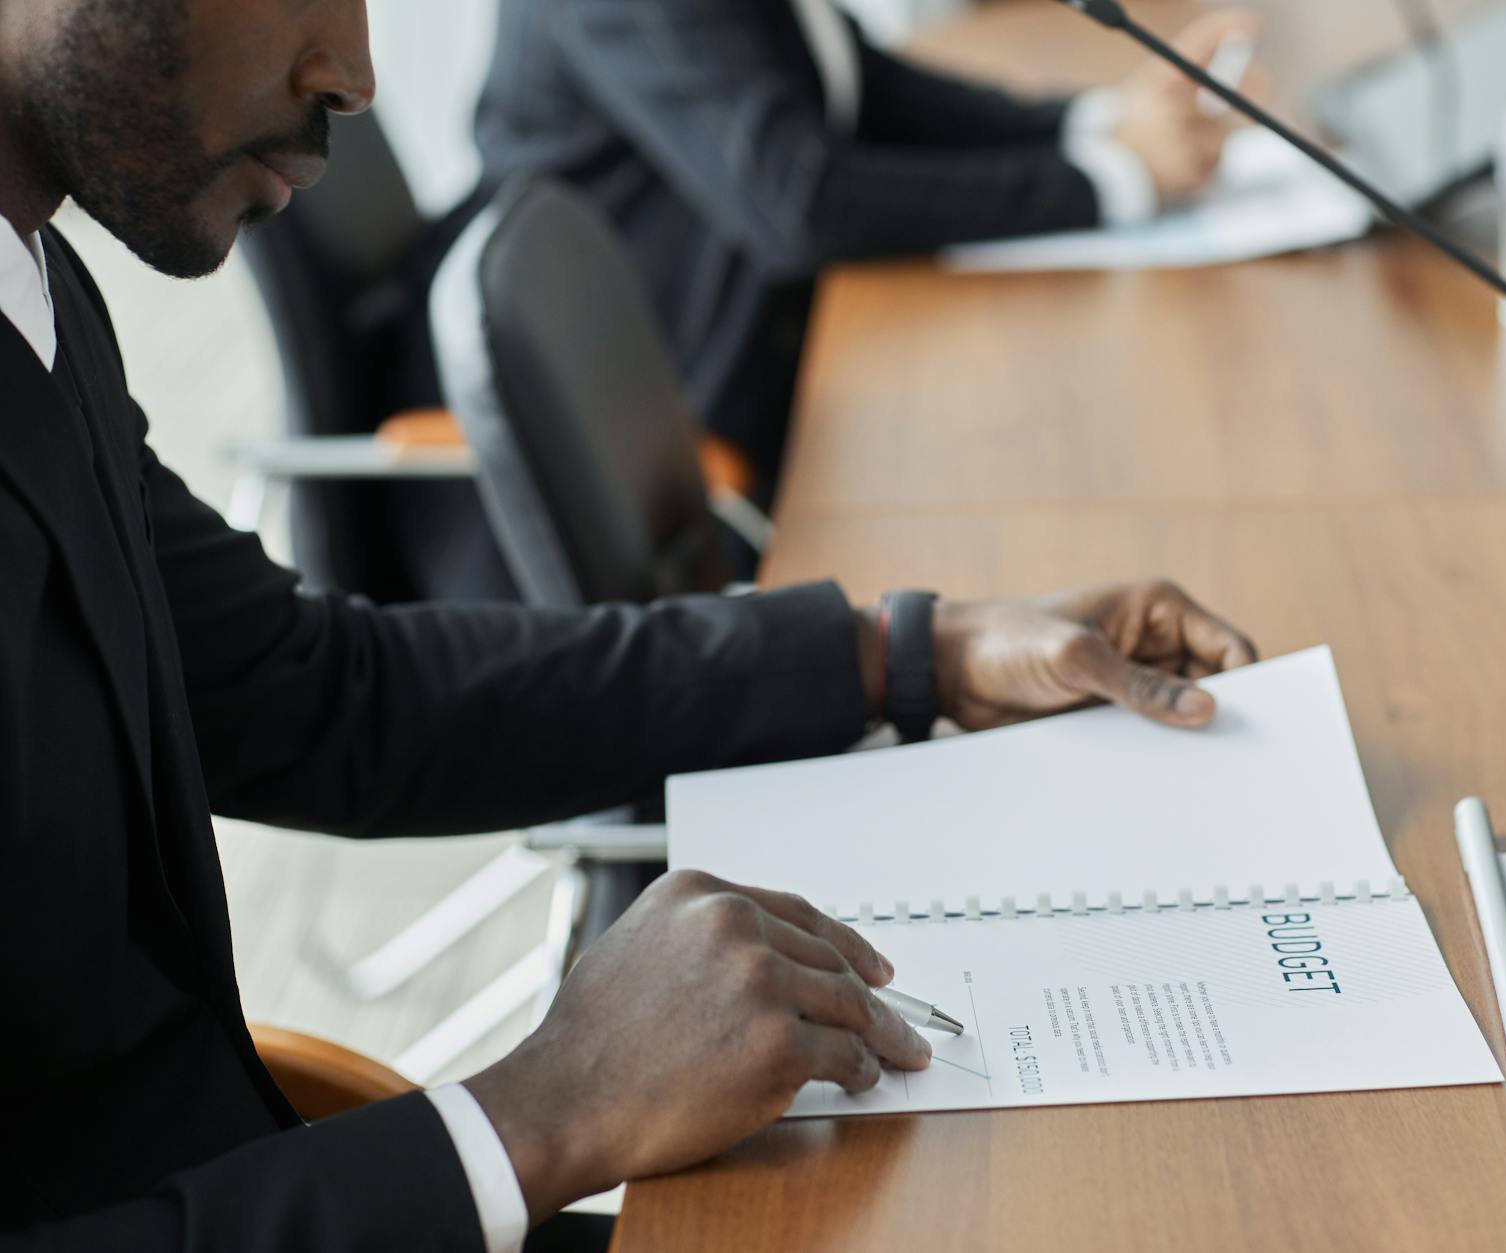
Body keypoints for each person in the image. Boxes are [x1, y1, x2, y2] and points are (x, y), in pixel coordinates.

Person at [0, 2, 1258, 1249]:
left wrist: (896, 654)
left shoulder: (34, 288)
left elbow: (319, 692)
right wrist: (541, 1113)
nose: (359, 72)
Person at [474, 0, 1257, 491]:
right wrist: (1107, 179)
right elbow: (801, 203)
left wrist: (1091, 125)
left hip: (787, 336)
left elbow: (864, 87)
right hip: (693, 396)